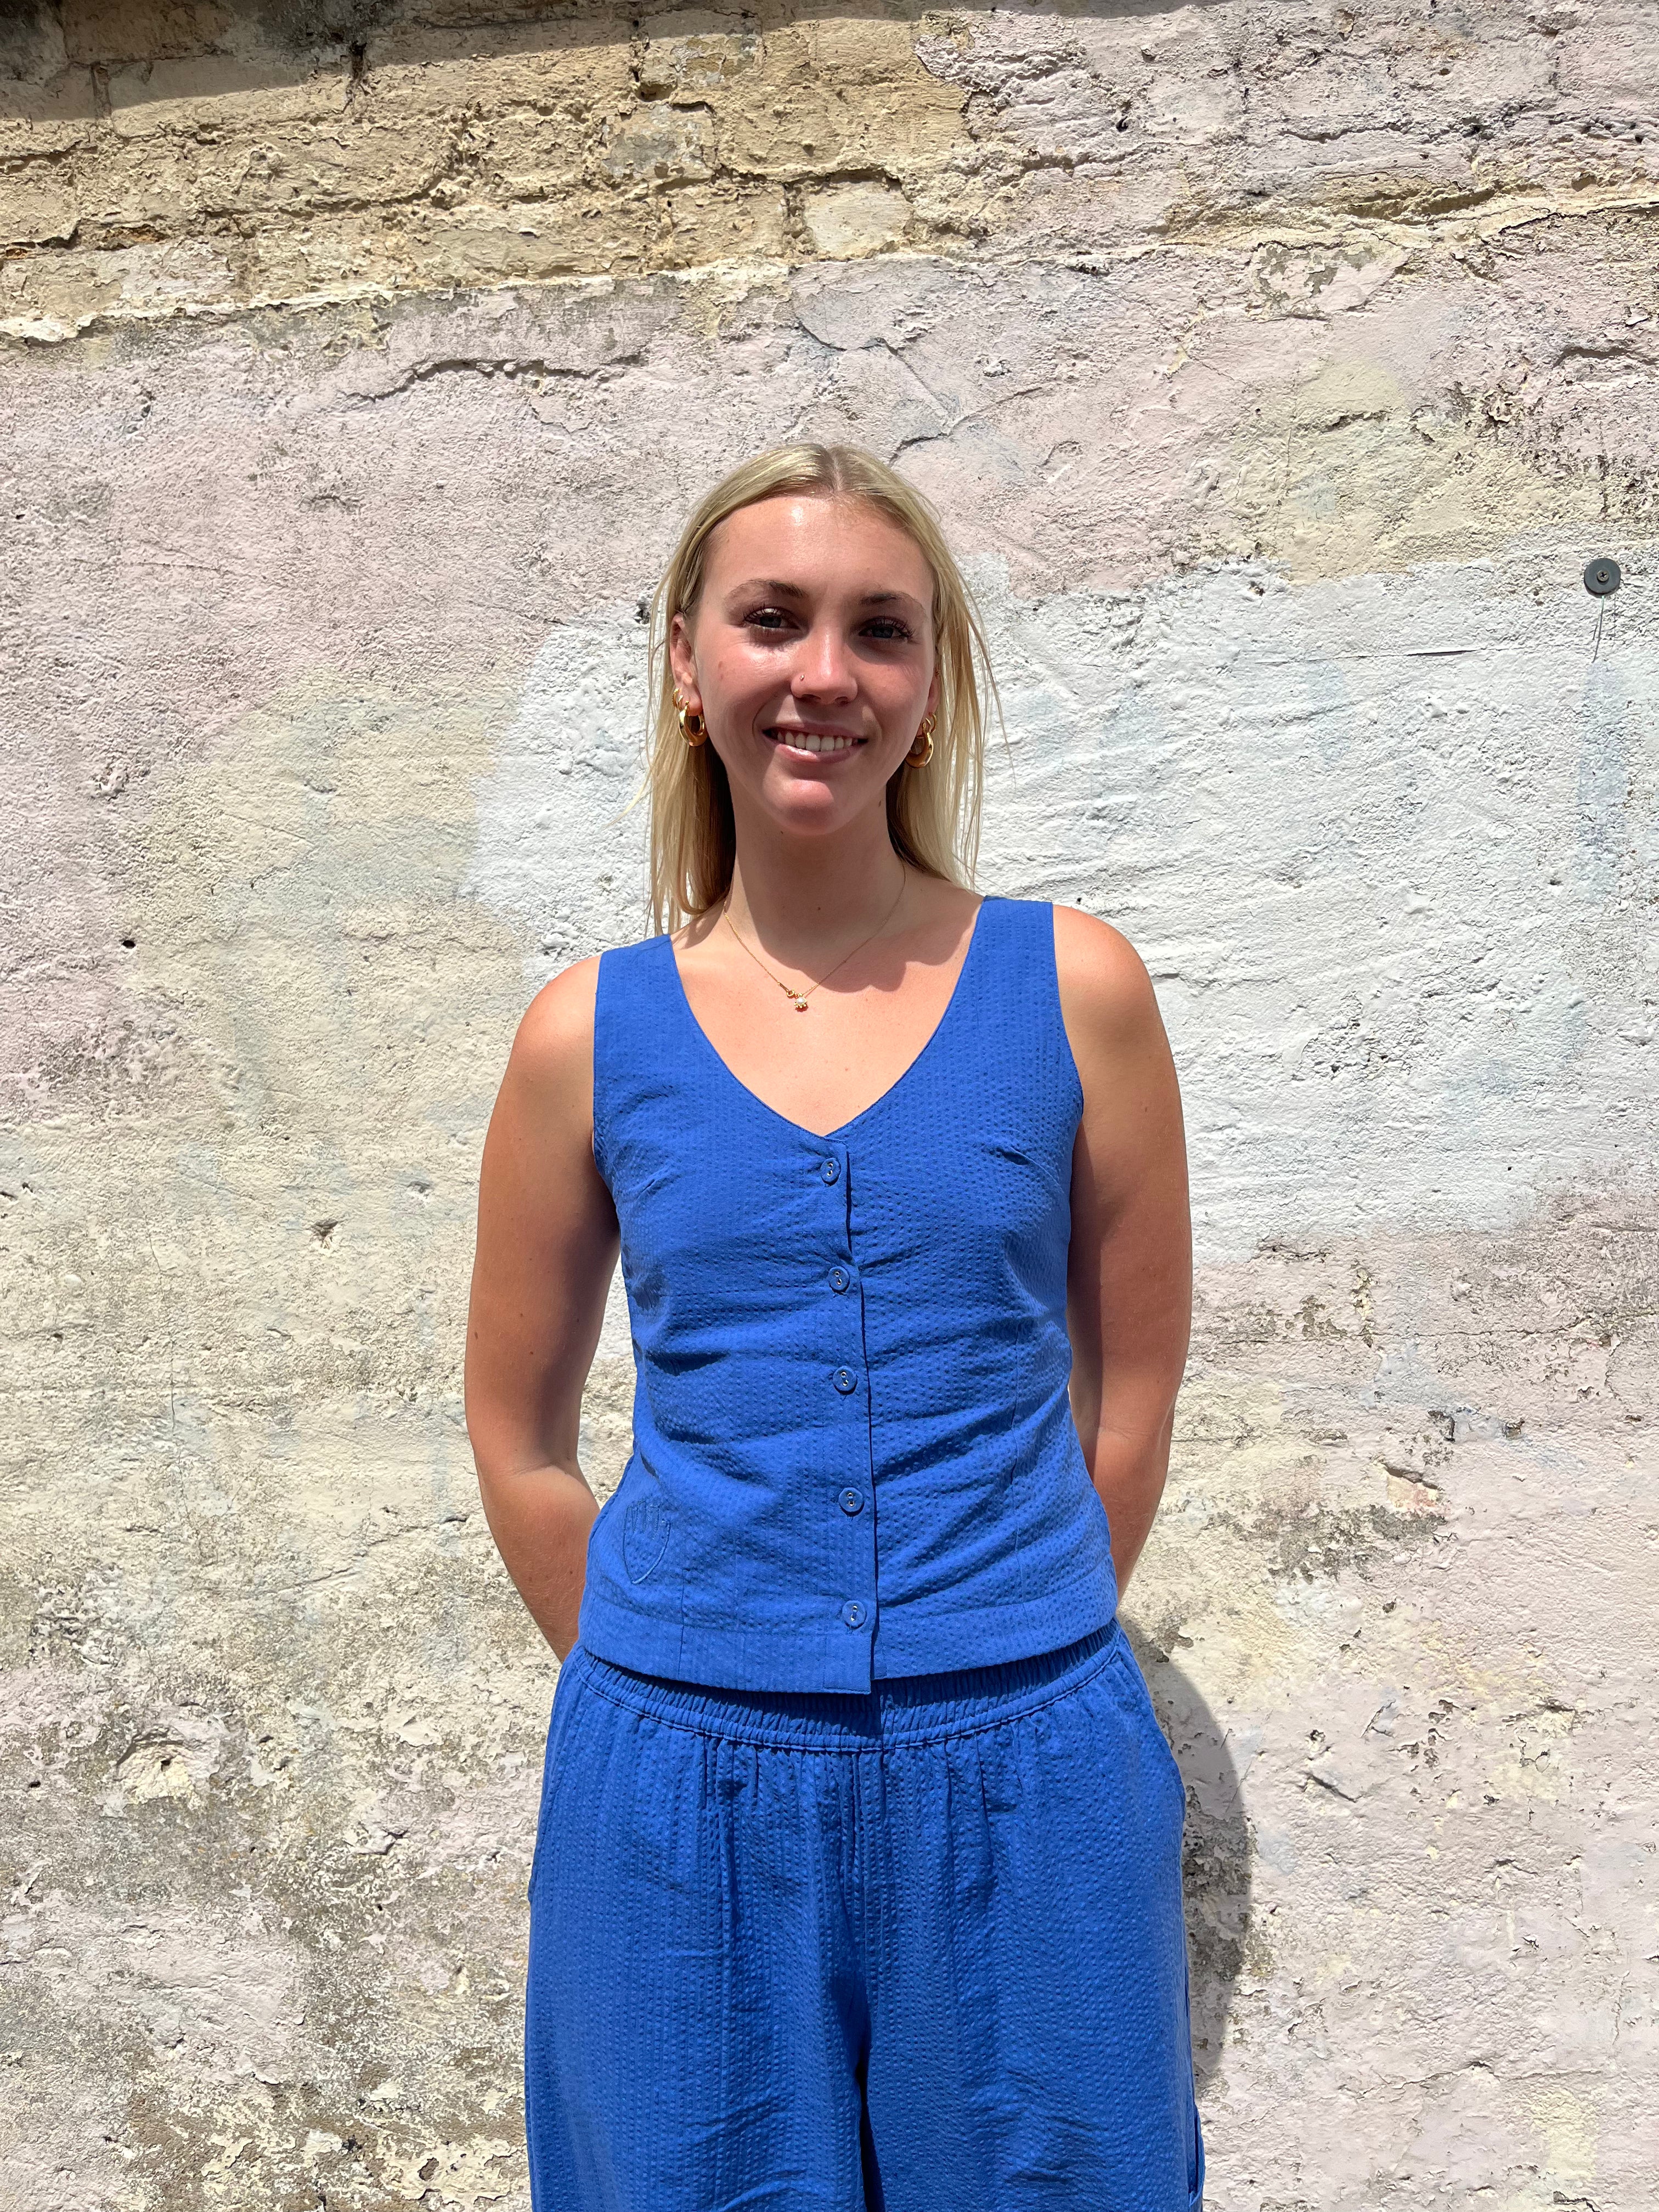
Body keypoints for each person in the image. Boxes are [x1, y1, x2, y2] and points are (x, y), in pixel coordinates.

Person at [464, 442, 1202, 2211]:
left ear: (932, 683)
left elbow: (1136, 1393)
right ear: (685, 660)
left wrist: (1000, 1626)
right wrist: (677, 1660)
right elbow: (518, 1434)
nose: (824, 676)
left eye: (882, 630)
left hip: (1029, 1773)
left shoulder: (1074, 988)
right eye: (772, 619)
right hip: (678, 1800)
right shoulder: (589, 1034)